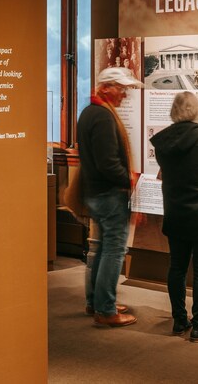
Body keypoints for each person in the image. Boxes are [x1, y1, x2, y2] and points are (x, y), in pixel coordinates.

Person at [149, 92, 198, 342]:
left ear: (174, 111)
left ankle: (179, 321)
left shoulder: (162, 143)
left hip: (176, 214)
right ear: (196, 110)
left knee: (177, 268)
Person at [77, 66, 143, 327]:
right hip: (108, 194)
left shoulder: (90, 112)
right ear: (105, 88)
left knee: (103, 248)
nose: (124, 95)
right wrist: (129, 180)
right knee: (114, 250)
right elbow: (108, 163)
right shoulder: (103, 116)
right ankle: (105, 310)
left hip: (97, 192)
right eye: (121, 89)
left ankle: (95, 302)